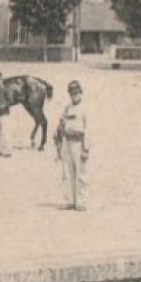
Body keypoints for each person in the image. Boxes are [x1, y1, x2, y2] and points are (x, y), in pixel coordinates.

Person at [54, 80, 90, 210]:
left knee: (81, 174)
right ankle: (70, 200)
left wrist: (86, 149)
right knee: (68, 173)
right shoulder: (67, 108)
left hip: (79, 143)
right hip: (67, 141)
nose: (74, 96)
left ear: (81, 93)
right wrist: (58, 139)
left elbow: (89, 130)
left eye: (76, 93)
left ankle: (81, 201)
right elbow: (61, 123)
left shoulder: (85, 108)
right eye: (72, 93)